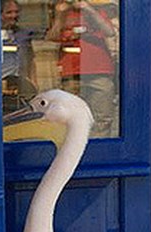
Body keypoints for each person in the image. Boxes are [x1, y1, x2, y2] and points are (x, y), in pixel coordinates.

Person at [46, 0, 116, 137]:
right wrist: (60, 16)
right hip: (71, 71)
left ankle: (99, 151)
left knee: (101, 119)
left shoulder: (96, 9)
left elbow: (109, 32)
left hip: (99, 70)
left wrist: (88, 9)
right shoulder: (61, 10)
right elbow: (51, 37)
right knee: (70, 118)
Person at [1, 0, 37, 113]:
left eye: (16, 12)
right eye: (9, 12)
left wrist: (33, 85)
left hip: (20, 88)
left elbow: (31, 60)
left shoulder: (23, 34)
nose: (14, 16)